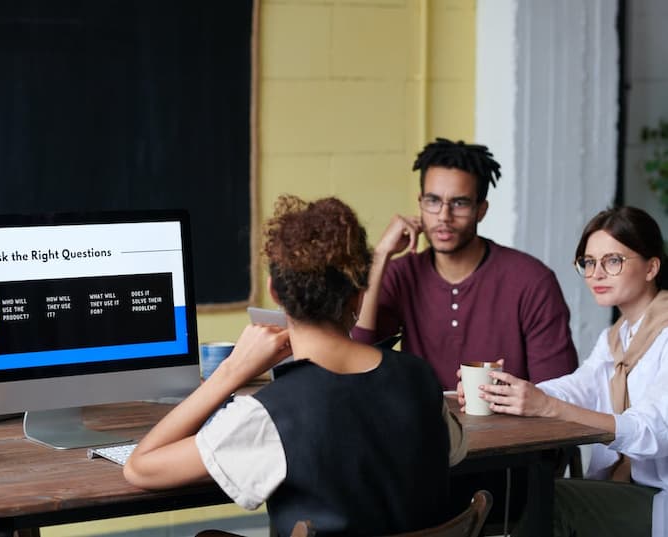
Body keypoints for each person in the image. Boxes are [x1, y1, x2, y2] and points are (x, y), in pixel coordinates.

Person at [124, 195, 467, 536]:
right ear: (359, 293)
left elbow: (140, 468)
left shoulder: (269, 415)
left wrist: (231, 372)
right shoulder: (421, 379)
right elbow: (452, 452)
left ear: (274, 291)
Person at [474, 206, 668, 537]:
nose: (596, 274)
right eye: (589, 262)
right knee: (541, 493)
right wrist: (510, 392)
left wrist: (548, 407)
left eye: (613, 261)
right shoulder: (617, 338)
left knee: (554, 498)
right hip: (632, 487)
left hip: (659, 495)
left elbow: (653, 432)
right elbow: (578, 386)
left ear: (651, 267)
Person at [351, 137, 578, 390]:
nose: (443, 216)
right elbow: (357, 354)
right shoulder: (402, 273)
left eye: (459, 203)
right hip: (422, 428)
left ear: (481, 210)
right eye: (433, 201)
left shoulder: (532, 281)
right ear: (420, 203)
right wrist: (381, 255)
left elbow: (558, 392)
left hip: (508, 428)